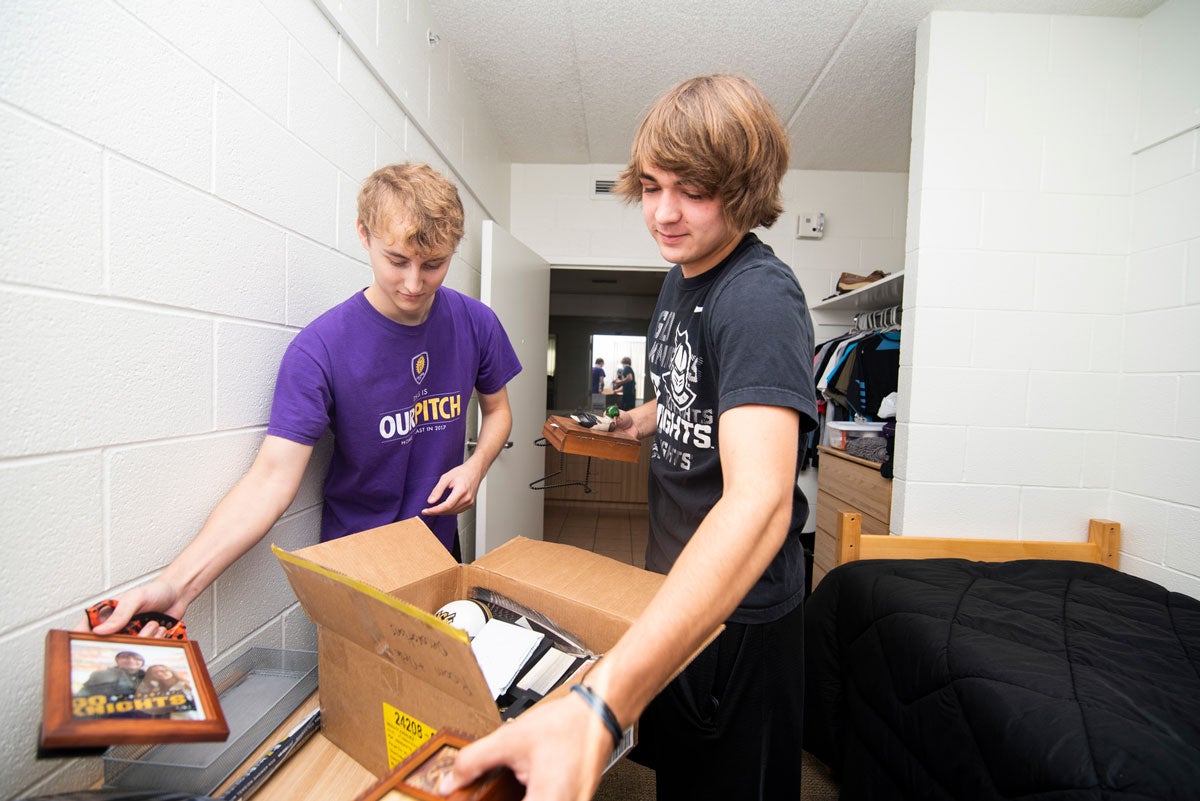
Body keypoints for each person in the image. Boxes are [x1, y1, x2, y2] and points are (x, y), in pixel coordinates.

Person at [442, 74, 816, 800]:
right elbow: (697, 384)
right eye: (651, 186)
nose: (663, 213)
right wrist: (641, 417)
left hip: (741, 619)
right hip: (673, 588)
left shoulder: (760, 299)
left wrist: (602, 701)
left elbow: (762, 503)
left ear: (743, 189)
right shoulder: (685, 277)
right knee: (682, 777)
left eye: (693, 190)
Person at [85, 162, 522, 637]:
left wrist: (475, 467)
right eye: (396, 260)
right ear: (363, 234)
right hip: (355, 563)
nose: (414, 284)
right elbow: (270, 481)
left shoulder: (476, 323)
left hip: (438, 552)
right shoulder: (321, 349)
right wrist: (178, 587)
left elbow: (497, 411)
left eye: (433, 264)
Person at [76, 650, 145, 699]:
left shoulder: (148, 677)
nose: (131, 661)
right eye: (125, 657)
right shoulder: (101, 675)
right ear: (117, 660)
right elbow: (82, 696)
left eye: (137, 658)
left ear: (142, 663)